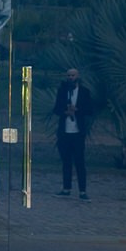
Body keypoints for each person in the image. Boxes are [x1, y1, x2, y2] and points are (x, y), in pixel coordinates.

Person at [52, 67, 95, 201]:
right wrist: (65, 112)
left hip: (78, 133)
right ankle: (66, 188)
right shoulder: (62, 91)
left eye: (73, 75)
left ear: (77, 76)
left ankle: (82, 191)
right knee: (66, 161)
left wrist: (76, 110)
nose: (70, 78)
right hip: (65, 132)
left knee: (79, 162)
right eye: (69, 75)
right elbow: (56, 109)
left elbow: (90, 110)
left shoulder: (84, 92)